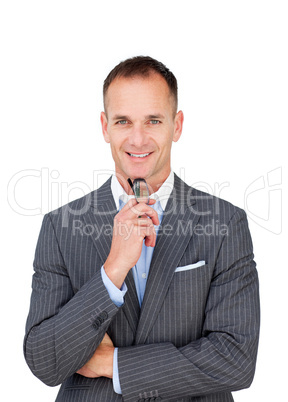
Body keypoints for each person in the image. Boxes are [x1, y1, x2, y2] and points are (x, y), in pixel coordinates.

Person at [24, 56, 260, 402]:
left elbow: (236, 360)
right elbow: (45, 362)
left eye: (153, 120)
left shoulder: (224, 223)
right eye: (123, 121)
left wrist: (114, 363)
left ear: (176, 125)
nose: (137, 139)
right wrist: (113, 270)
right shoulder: (60, 227)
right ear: (105, 127)